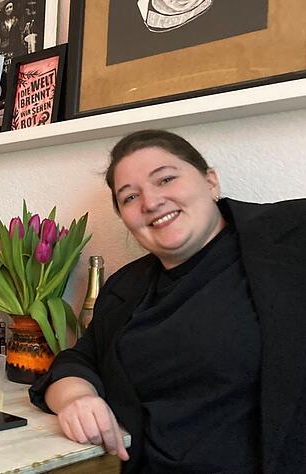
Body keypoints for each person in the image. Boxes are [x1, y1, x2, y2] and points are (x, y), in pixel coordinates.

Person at [29, 129, 306, 472]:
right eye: (129, 197)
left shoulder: (290, 239)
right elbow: (75, 362)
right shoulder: (125, 289)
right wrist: (76, 399)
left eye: (166, 179)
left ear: (211, 182)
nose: (150, 202)